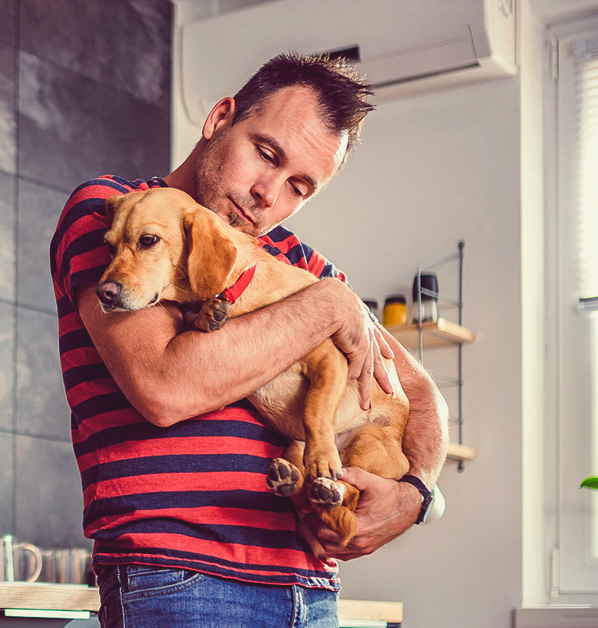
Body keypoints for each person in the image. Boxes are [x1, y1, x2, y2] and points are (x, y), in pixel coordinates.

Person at [49, 52, 448, 628]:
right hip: (178, 577)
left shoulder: (301, 262)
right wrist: (326, 305)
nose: (269, 194)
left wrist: (416, 494)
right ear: (219, 119)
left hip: (310, 588)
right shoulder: (116, 216)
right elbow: (165, 388)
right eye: (266, 153)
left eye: (299, 186)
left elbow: (417, 389)